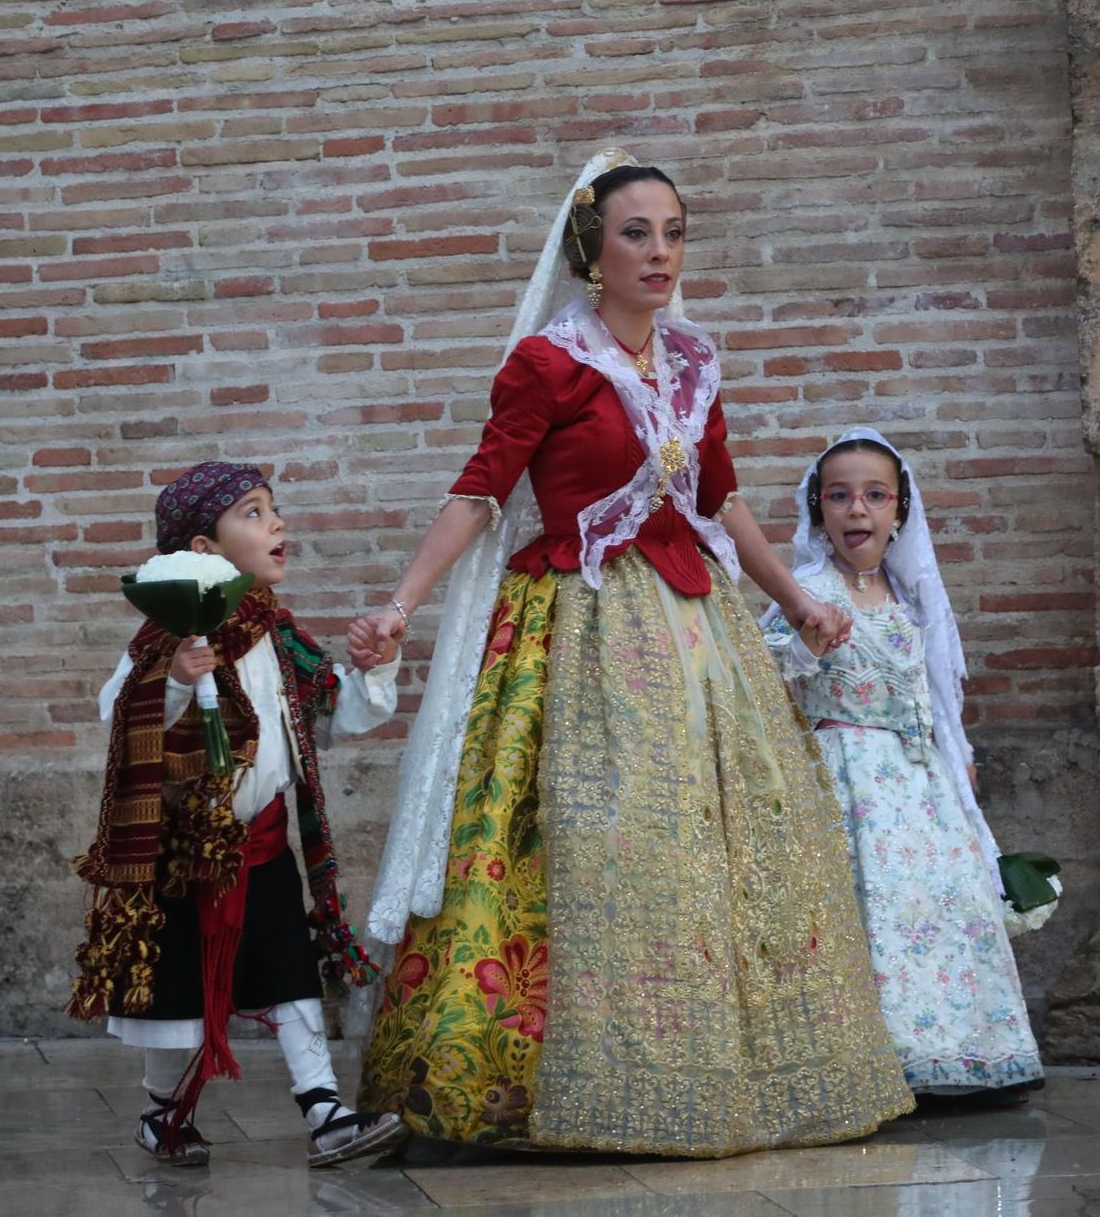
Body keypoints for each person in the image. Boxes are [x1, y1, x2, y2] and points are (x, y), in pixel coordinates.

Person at [343, 149, 913, 1157]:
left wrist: (798, 601)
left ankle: (710, 1075)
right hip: (578, 623)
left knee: (710, 841)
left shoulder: (692, 361)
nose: (658, 252)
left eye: (673, 233)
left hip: (694, 626)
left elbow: (720, 498)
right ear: (590, 251)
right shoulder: (548, 363)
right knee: (591, 836)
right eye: (635, 234)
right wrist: (400, 604)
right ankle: (543, 1076)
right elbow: (480, 491)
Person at [68, 461, 408, 1166]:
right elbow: (118, 710)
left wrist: (375, 666)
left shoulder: (277, 633)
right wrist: (171, 681)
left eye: (273, 509)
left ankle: (324, 1110)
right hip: (185, 853)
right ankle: (162, 1112)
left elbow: (335, 712)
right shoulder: (166, 640)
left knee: (290, 969)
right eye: (253, 513)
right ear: (202, 551)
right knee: (180, 999)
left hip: (262, 844)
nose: (276, 523)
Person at [762, 429, 1044, 1096]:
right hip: (845, 779)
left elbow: (935, 690)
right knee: (871, 915)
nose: (857, 509)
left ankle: (962, 1052)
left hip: (920, 785)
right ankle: (875, 1061)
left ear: (899, 511)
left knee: (939, 908)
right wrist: (806, 642)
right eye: (840, 495)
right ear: (819, 509)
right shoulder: (805, 589)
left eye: (874, 495)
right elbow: (762, 673)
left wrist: (958, 759)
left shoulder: (912, 596)